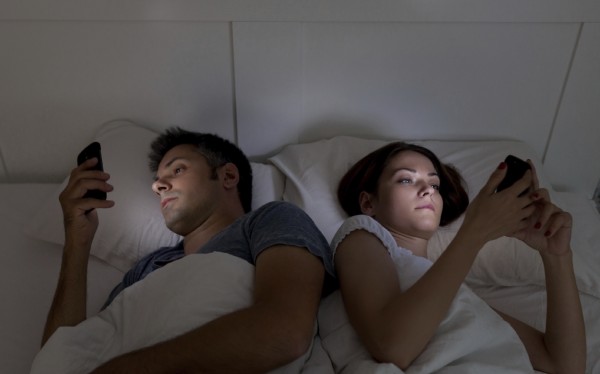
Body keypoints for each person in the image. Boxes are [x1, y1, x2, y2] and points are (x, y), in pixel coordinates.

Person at [41, 127, 336, 373]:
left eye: (177, 169)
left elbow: (285, 332)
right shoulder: (144, 271)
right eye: (156, 183)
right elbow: (64, 354)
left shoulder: (271, 220)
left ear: (228, 177)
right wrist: (76, 243)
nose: (158, 186)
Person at [332, 142, 586, 373]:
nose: (426, 190)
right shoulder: (360, 234)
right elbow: (393, 347)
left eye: (435, 185)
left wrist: (557, 256)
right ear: (368, 203)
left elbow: (564, 366)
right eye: (406, 180)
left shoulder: (456, 294)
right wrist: (474, 233)